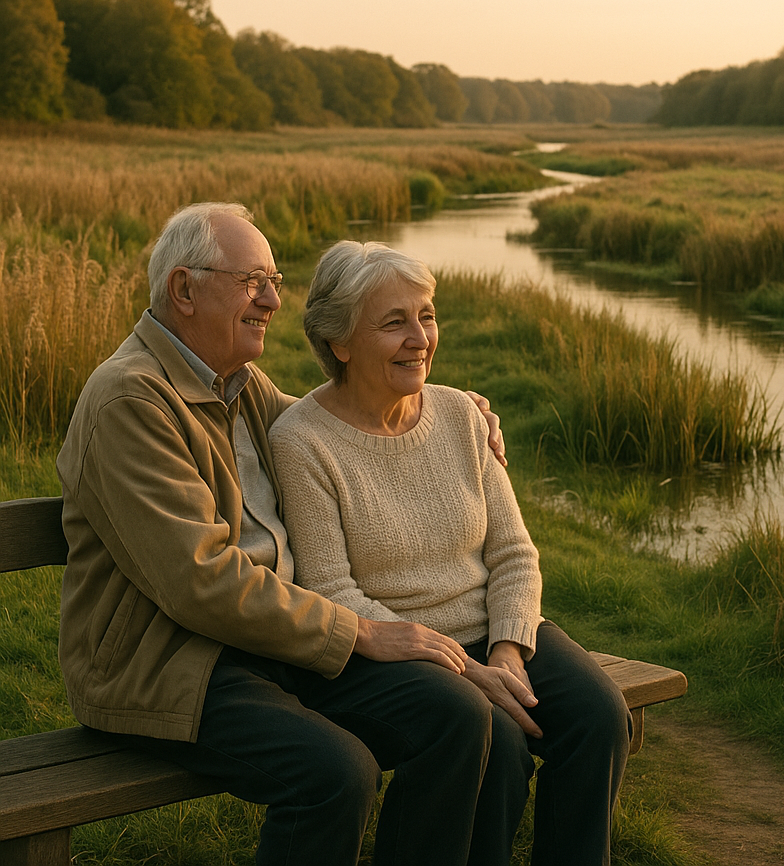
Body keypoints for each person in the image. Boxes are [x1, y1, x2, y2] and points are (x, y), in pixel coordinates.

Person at [56, 202, 508, 866]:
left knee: (459, 715)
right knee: (335, 772)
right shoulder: (132, 401)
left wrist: (441, 411)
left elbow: (341, 426)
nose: (273, 298)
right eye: (252, 282)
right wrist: (360, 631)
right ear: (184, 290)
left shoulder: (238, 381)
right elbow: (199, 581)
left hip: (272, 643)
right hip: (173, 667)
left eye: (273, 278)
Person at [269, 240, 632, 866]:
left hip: (494, 635)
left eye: (427, 315)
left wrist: (508, 652)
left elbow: (515, 552)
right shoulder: (302, 442)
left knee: (600, 718)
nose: (420, 338)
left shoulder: (463, 413)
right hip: (392, 653)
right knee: (497, 742)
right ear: (340, 342)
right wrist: (469, 672)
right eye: (394, 322)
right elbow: (331, 589)